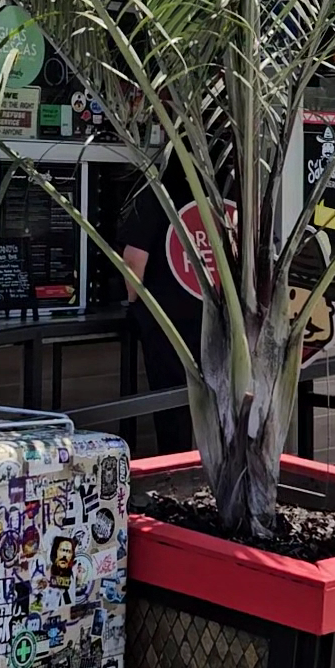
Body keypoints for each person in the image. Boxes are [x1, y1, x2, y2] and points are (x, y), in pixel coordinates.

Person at [118, 161, 204, 455]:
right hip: (219, 320)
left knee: (173, 408)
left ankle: (176, 472)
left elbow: (133, 260)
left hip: (167, 321)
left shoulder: (155, 190)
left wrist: (134, 304)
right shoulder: (231, 190)